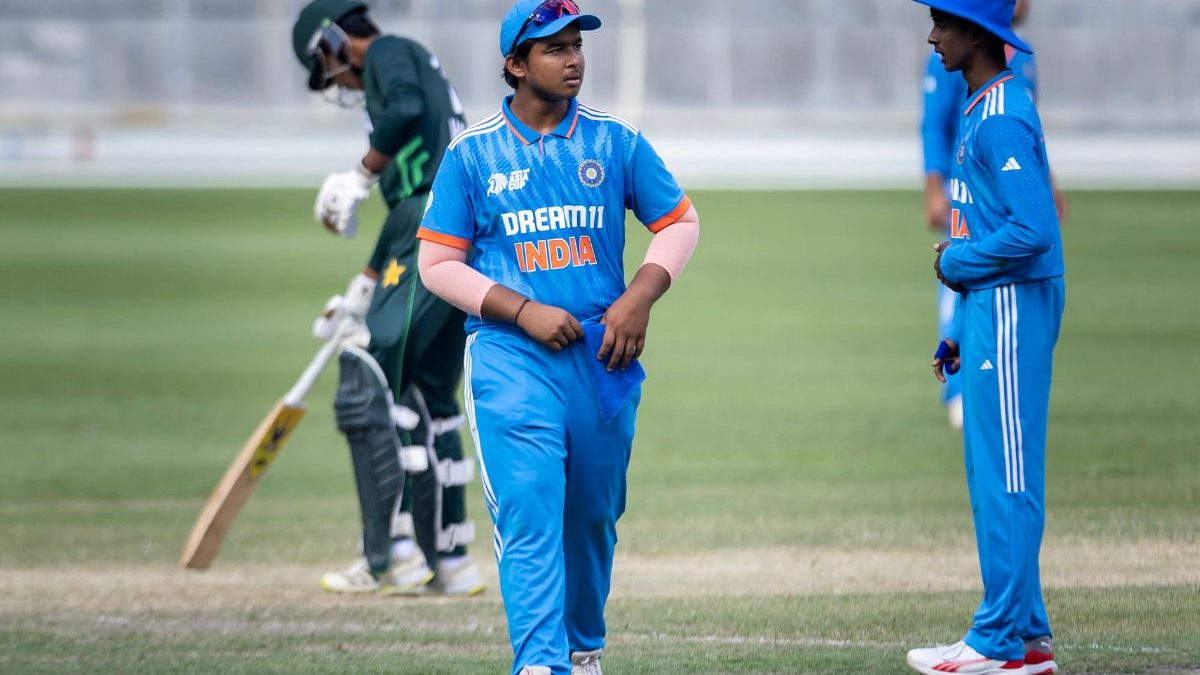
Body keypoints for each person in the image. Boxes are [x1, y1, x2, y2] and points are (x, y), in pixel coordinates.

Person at [415, 1, 700, 672]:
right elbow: (437, 264)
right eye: (554, 48)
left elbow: (680, 223)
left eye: (577, 45)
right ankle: (540, 661)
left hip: (602, 359)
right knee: (529, 508)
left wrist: (638, 298)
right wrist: (521, 311)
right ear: (515, 64)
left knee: (593, 516)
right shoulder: (472, 154)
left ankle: (581, 649)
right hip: (510, 357)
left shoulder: (615, 141)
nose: (574, 59)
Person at [290, 0, 484, 597]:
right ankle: (451, 560)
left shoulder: (390, 53)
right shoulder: (413, 60)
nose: (340, 84)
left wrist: (360, 173)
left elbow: (404, 112)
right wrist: (366, 283)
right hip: (453, 226)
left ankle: (391, 553)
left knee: (369, 378)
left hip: (428, 221)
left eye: (328, 67)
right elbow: (410, 203)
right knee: (430, 393)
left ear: (333, 41)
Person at [908, 1, 1065, 674]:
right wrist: (959, 331)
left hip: (1011, 308)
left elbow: (1035, 230)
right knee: (991, 473)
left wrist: (957, 262)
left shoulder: (1000, 116)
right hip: (989, 311)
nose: (932, 35)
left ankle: (999, 641)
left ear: (978, 35)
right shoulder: (981, 104)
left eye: (943, 22)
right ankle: (1025, 636)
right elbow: (989, 222)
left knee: (1007, 477)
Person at [920, 0, 1065, 430]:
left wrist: (1049, 185)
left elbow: (1025, 137)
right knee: (959, 284)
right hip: (970, 190)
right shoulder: (961, 64)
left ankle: (984, 384)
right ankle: (958, 388)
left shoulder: (1013, 68)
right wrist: (934, 184)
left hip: (1001, 198)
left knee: (966, 268)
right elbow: (934, 120)